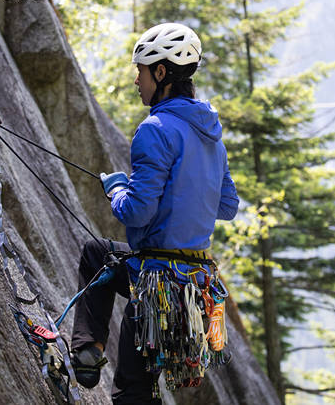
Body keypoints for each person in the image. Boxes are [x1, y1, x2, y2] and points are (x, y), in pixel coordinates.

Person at [70, 22, 239, 404]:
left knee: (133, 392)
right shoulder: (212, 137)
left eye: (141, 71)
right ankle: (89, 352)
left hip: (157, 283)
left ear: (161, 73)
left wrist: (117, 189)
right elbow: (227, 206)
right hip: (195, 286)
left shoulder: (155, 129)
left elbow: (136, 212)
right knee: (99, 254)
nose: (137, 80)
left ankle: (88, 352)